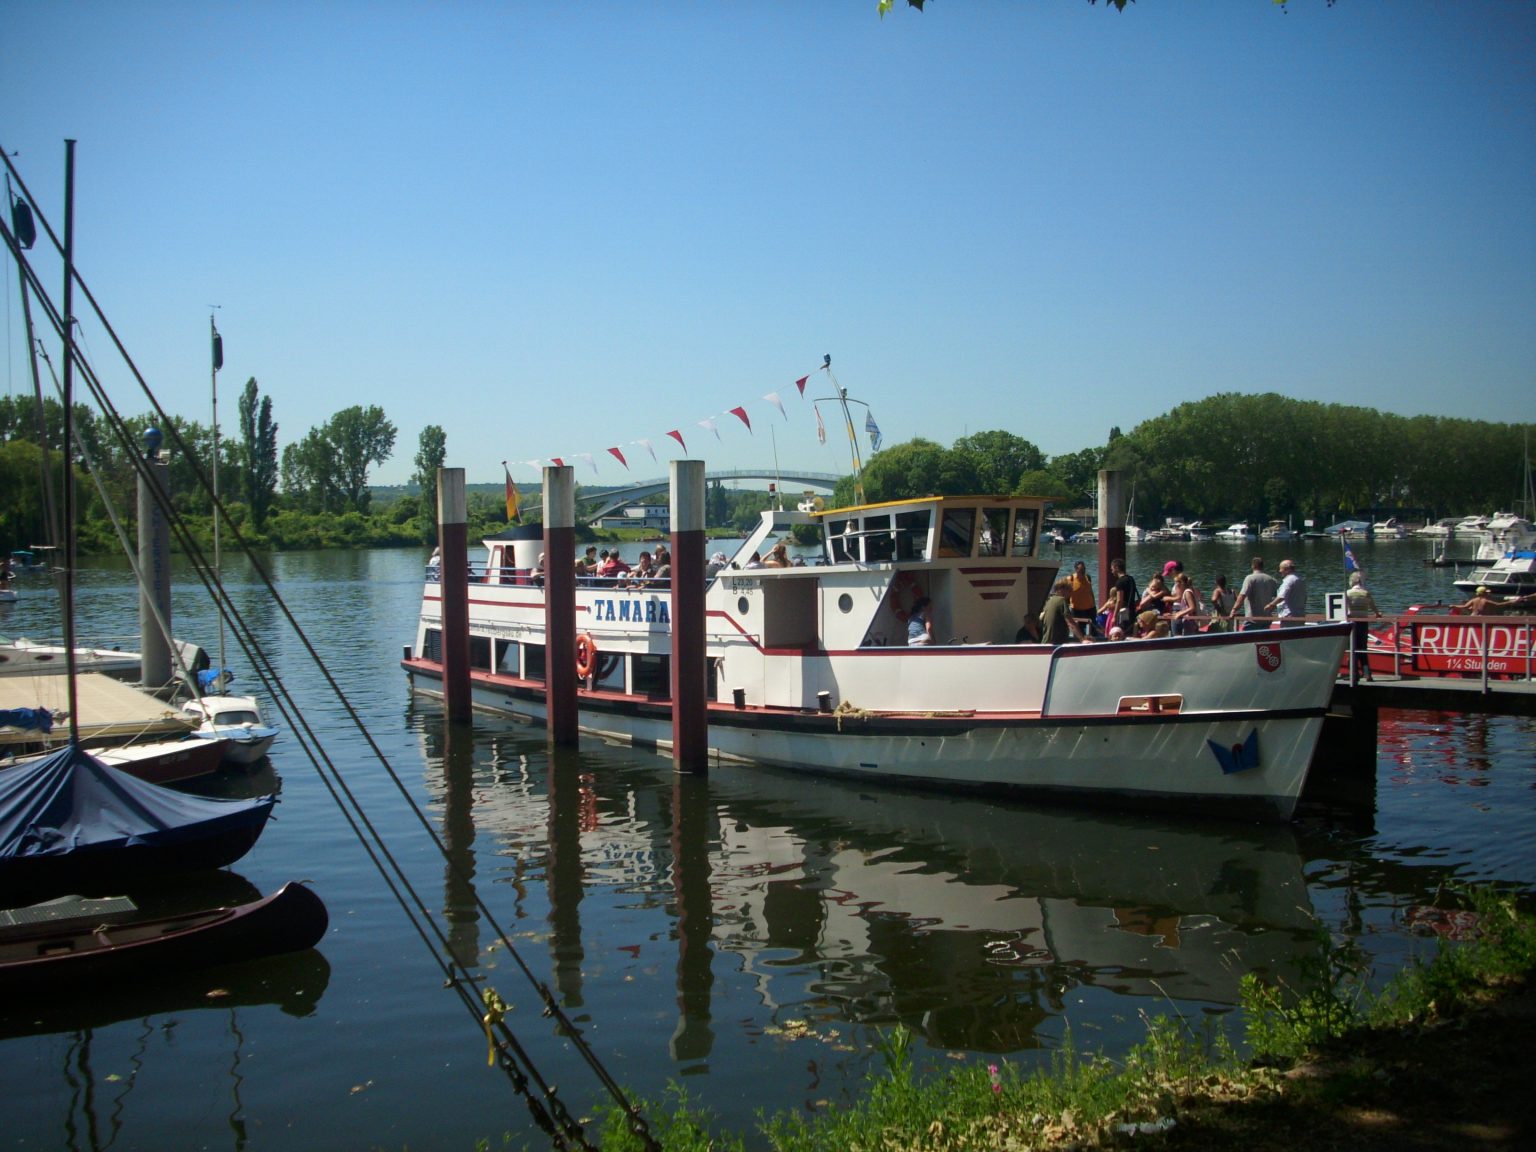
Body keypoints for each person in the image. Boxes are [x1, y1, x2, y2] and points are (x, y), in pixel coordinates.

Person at [1345, 570, 1382, 680]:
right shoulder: (1366, 593)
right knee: (1363, 648)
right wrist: (1377, 614)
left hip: (1352, 622)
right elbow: (1373, 606)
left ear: (1352, 581)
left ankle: (1354, 673)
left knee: (1352, 648)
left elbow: (1345, 609)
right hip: (1363, 623)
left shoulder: (1347, 593)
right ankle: (1367, 674)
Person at [1231, 557, 1278, 630]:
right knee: (1263, 640)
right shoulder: (1271, 579)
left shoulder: (1250, 578)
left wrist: (1234, 609)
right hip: (1267, 619)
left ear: (1253, 566)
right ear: (1262, 566)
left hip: (1252, 619)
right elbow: (1276, 599)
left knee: (1249, 640)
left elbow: (1242, 596)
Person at [1039, 579, 1088, 645]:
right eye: (1069, 590)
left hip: (1045, 643)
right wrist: (1082, 640)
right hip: (1056, 644)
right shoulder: (1061, 601)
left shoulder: (1049, 601)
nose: (1070, 594)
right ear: (1061, 589)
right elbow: (1070, 623)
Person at [1099, 558, 1138, 633]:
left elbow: (1119, 600)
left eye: (1112, 569)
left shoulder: (1119, 582)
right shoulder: (1131, 579)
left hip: (1123, 612)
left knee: (1121, 632)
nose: (1112, 571)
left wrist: (1114, 616)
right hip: (1132, 610)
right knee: (1129, 632)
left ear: (1116, 568)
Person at [1266, 558, 1307, 626]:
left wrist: (1271, 605)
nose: (1279, 571)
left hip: (1289, 616)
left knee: (1287, 634)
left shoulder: (1289, 580)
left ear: (1287, 569)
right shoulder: (1300, 579)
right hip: (1300, 615)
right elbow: (1304, 597)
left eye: (1281, 568)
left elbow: (1281, 596)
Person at [1168, 571, 1200, 636]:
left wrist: (1179, 613)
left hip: (1189, 620)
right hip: (1189, 620)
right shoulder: (1189, 591)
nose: (1176, 586)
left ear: (1181, 583)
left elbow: (1192, 607)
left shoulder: (1187, 592)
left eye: (1176, 583)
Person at [1067, 560, 1096, 629]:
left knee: (1093, 630)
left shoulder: (1087, 577)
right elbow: (1065, 595)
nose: (1083, 571)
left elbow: (1091, 592)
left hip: (1090, 609)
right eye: (1081, 569)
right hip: (1077, 610)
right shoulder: (1070, 579)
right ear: (1076, 569)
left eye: (1084, 569)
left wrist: (1094, 607)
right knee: (1079, 630)